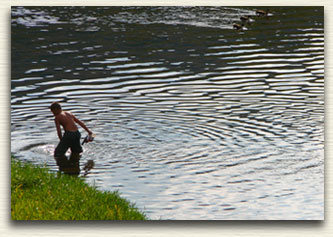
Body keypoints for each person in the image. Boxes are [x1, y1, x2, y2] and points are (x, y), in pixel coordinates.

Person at [50, 102, 93, 172]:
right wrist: (88, 131)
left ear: (56, 109)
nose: (53, 114)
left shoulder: (57, 117)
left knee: (57, 153)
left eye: (52, 111)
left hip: (69, 134)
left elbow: (59, 131)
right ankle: (75, 168)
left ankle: (64, 168)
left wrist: (62, 141)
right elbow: (79, 122)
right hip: (77, 133)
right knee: (76, 151)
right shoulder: (68, 113)